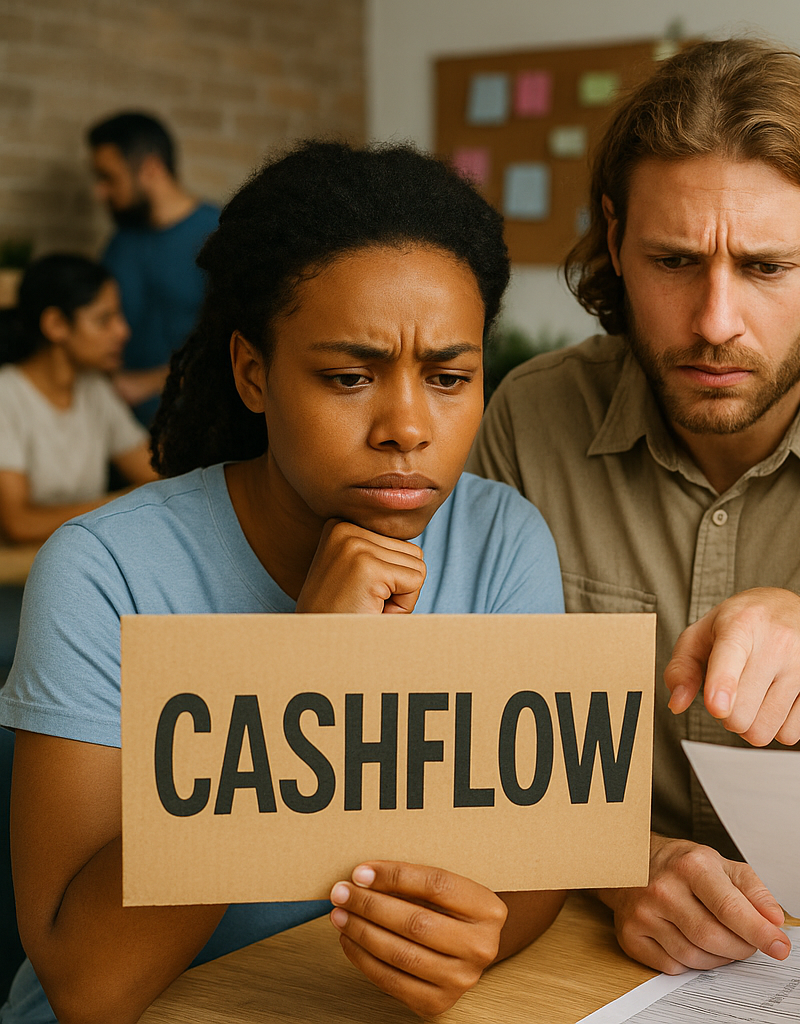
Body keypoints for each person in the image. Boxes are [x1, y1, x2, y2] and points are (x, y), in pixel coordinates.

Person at [469, 38, 800, 977]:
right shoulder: (532, 417)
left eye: (765, 268)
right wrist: (619, 863)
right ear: (613, 240)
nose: (716, 321)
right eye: (675, 260)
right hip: (590, 950)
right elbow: (479, 738)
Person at [0, 141, 567, 1024]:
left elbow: (531, 872)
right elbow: (88, 984)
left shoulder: (500, 540)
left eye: (450, 378)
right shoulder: (105, 570)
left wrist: (479, 936)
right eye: (349, 377)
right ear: (253, 373)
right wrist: (294, 670)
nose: (408, 427)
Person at [0, 254, 156, 678]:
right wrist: (123, 502)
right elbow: (17, 521)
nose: (122, 330)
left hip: (70, 575)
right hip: (13, 581)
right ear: (56, 326)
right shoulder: (7, 396)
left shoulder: (94, 391)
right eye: (104, 319)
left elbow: (156, 474)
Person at [87, 111, 220, 424]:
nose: (99, 192)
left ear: (151, 169)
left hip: (198, 430)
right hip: (120, 426)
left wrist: (144, 383)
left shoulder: (218, 234)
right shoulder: (119, 242)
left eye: (108, 177)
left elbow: (235, 343)